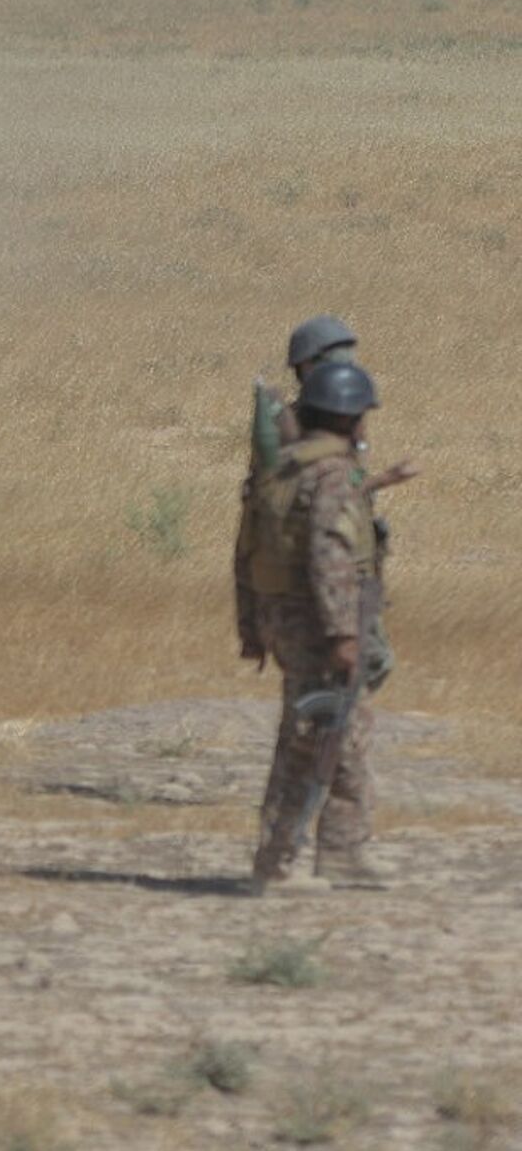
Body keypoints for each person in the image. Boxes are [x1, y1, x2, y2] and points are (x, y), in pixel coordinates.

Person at [240, 359, 390, 891]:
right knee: (316, 740)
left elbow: (246, 550)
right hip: (318, 627)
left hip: (285, 619)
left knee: (335, 734)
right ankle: (279, 863)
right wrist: (343, 634)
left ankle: (340, 852)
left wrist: (251, 626)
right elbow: (329, 557)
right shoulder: (331, 476)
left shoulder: (285, 469)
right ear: (349, 417)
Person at [236, 316, 414, 689]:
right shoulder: (301, 426)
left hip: (334, 572)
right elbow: (305, 503)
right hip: (313, 578)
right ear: (305, 365)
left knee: (335, 684)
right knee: (352, 677)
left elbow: (341, 487)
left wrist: (378, 481)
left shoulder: (338, 415)